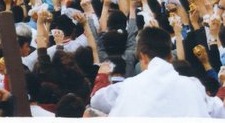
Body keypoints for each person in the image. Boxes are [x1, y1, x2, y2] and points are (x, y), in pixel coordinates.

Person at [90, 26, 225, 117]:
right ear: (171, 57)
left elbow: (96, 100)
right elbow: (219, 110)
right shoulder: (194, 86)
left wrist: (102, 74)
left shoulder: (126, 87)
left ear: (142, 56)